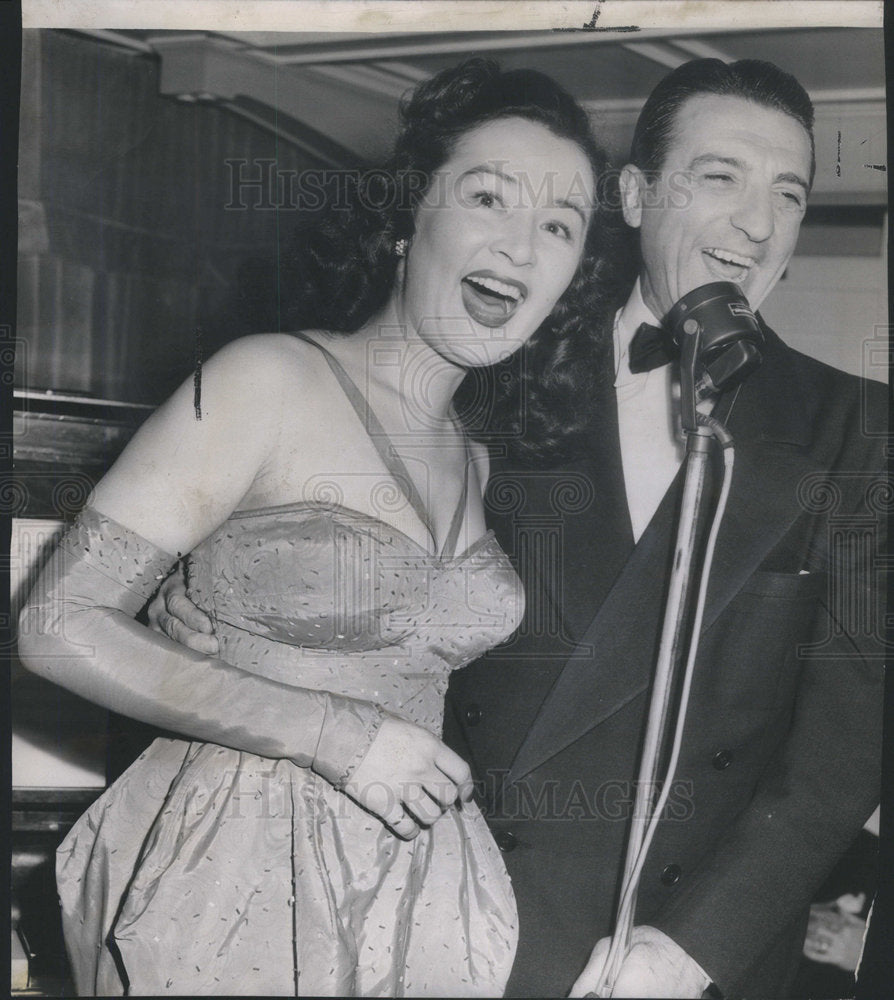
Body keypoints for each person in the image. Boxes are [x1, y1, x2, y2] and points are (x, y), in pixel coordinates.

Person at [147, 57, 887, 998]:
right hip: (437, 909)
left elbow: (844, 756)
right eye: (720, 177)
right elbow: (345, 565)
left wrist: (686, 953)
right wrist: (219, 610)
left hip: (680, 960)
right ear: (633, 194)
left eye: (790, 192)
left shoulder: (860, 432)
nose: (757, 222)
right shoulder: (486, 366)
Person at [17, 58, 616, 997]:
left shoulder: (482, 455)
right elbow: (57, 625)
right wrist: (333, 732)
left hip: (419, 886)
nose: (520, 246)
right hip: (233, 876)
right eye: (489, 197)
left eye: (558, 225)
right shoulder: (270, 378)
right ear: (408, 218)